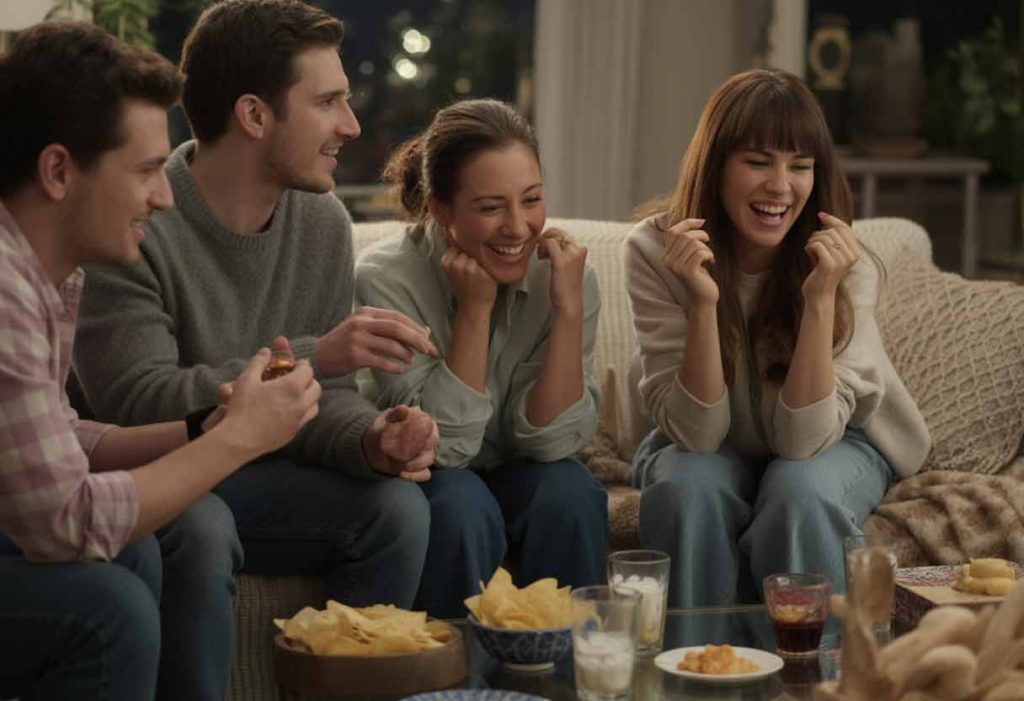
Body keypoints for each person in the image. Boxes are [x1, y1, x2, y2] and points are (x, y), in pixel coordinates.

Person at [72, 0, 439, 609]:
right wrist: (313, 356)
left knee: (397, 508)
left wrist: (371, 439)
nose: (350, 124)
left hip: (259, 479)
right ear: (254, 115)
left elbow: (325, 399)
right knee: (202, 525)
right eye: (327, 102)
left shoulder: (322, 222)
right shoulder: (132, 218)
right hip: (156, 474)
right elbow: (134, 402)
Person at [0, 22, 321, 700]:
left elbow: (56, 439)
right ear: (59, 171)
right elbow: (67, 519)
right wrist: (238, 439)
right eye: (146, 170)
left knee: (144, 547)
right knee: (106, 610)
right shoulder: (4, 289)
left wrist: (207, 423)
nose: (165, 195)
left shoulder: (50, 275)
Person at [624, 69, 930, 608]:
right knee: (685, 488)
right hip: (706, 443)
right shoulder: (654, 252)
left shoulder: (842, 261)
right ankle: (698, 675)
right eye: (758, 161)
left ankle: (812, 685)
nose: (781, 186)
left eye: (800, 165)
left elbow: (803, 444)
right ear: (715, 165)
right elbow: (696, 435)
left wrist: (818, 301)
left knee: (799, 493)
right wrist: (702, 303)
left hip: (835, 437)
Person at [356, 98, 608, 617]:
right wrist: (473, 312)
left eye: (532, 200)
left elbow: (553, 443)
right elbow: (442, 450)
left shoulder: (564, 273)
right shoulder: (385, 279)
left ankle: (566, 683)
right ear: (441, 209)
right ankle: (458, 687)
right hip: (435, 478)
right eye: (491, 207)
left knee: (573, 494)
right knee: (458, 506)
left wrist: (566, 310)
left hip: (525, 468)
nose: (518, 227)